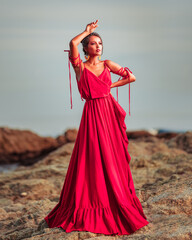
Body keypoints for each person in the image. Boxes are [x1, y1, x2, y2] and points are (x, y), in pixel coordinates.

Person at [44, 19, 149, 236]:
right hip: (92, 114)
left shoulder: (108, 64)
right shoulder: (79, 67)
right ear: (86, 49)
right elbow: (73, 44)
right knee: (90, 158)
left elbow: (132, 77)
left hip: (108, 112)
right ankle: (92, 204)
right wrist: (86, 31)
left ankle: (116, 201)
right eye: (92, 43)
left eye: (99, 42)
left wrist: (110, 85)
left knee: (112, 157)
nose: (97, 46)